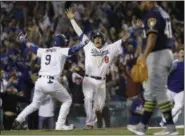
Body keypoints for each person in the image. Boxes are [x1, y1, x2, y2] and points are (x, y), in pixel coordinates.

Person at [65, 8, 130, 129]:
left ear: (103, 40)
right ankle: (89, 123)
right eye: (95, 38)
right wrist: (72, 20)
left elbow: (123, 39)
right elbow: (79, 33)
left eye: (99, 38)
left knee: (99, 107)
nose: (97, 39)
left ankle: (99, 121)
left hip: (101, 81)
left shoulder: (109, 49)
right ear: (93, 39)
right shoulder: (88, 46)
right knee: (88, 99)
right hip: (88, 79)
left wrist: (135, 29)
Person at [12, 31, 89, 130]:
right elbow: (72, 50)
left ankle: (19, 119)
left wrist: (24, 40)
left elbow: (32, 47)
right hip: (51, 82)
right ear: (62, 42)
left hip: (40, 82)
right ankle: (60, 125)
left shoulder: (45, 50)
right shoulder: (61, 50)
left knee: (35, 104)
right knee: (67, 100)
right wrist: (83, 43)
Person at [127, 1, 178, 135]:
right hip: (163, 53)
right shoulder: (162, 11)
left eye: (141, 1)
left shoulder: (152, 14)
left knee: (159, 91)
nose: (140, 4)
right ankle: (142, 126)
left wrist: (144, 55)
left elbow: (152, 37)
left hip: (157, 55)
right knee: (149, 92)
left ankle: (170, 128)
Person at [160, 47, 184, 126]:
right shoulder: (174, 63)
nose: (183, 54)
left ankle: (165, 121)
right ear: (178, 54)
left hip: (180, 91)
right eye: (181, 52)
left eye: (184, 52)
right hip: (170, 89)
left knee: (179, 106)